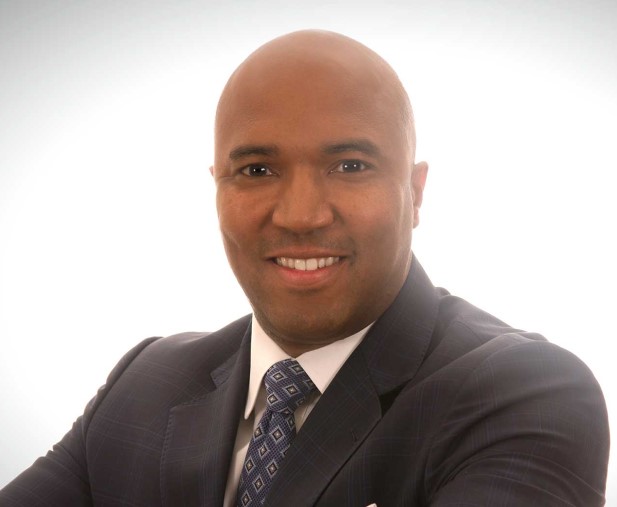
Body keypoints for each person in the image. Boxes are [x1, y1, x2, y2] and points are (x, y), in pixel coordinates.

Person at [0, 30, 609, 507]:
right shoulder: (145, 383)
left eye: (350, 166)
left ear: (416, 191)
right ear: (217, 187)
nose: (300, 216)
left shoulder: (525, 397)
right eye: (257, 171)